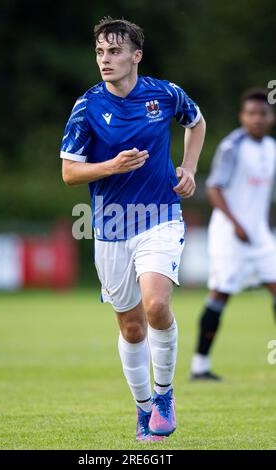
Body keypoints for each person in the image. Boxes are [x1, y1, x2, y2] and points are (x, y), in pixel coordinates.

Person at [60, 17, 205, 441]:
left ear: (135, 56)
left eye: (115, 52)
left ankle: (164, 395)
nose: (106, 60)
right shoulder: (87, 107)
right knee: (132, 326)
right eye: (100, 52)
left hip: (160, 215)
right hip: (109, 227)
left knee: (157, 306)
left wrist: (190, 168)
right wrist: (111, 165)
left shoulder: (165, 94)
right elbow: (70, 173)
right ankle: (143, 410)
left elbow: (195, 122)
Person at [190, 88, 276, 381]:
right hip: (230, 235)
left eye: (262, 114)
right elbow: (213, 189)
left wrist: (262, 225)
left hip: (261, 236)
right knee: (221, 293)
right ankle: (200, 366)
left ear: (271, 117)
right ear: (242, 116)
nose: (257, 119)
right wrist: (236, 223)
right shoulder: (232, 147)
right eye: (251, 114)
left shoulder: (271, 148)